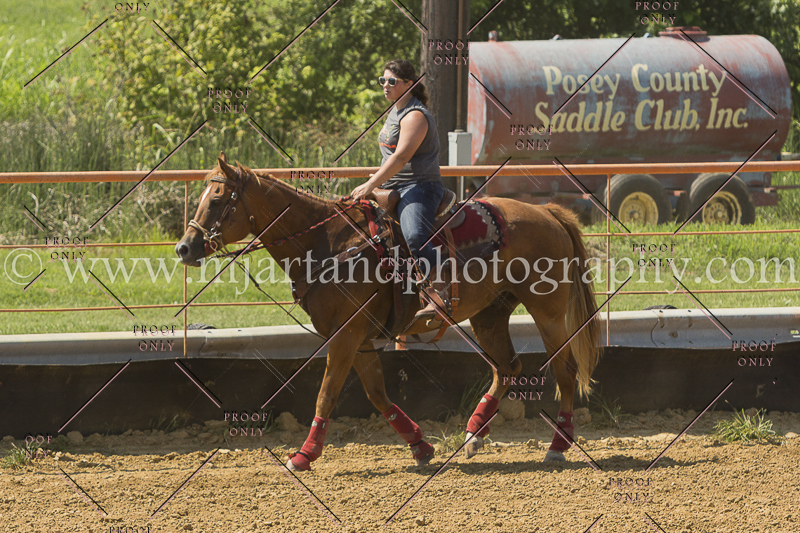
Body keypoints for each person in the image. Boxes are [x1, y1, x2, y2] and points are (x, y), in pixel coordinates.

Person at [351, 59, 447, 322]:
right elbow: (389, 157)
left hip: (419, 187)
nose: (385, 85)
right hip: (392, 186)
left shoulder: (415, 115)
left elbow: (401, 157)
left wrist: (371, 184)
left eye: (391, 81)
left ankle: (440, 292)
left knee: (415, 235)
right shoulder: (395, 111)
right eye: (382, 80)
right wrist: (377, 182)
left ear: (409, 84)